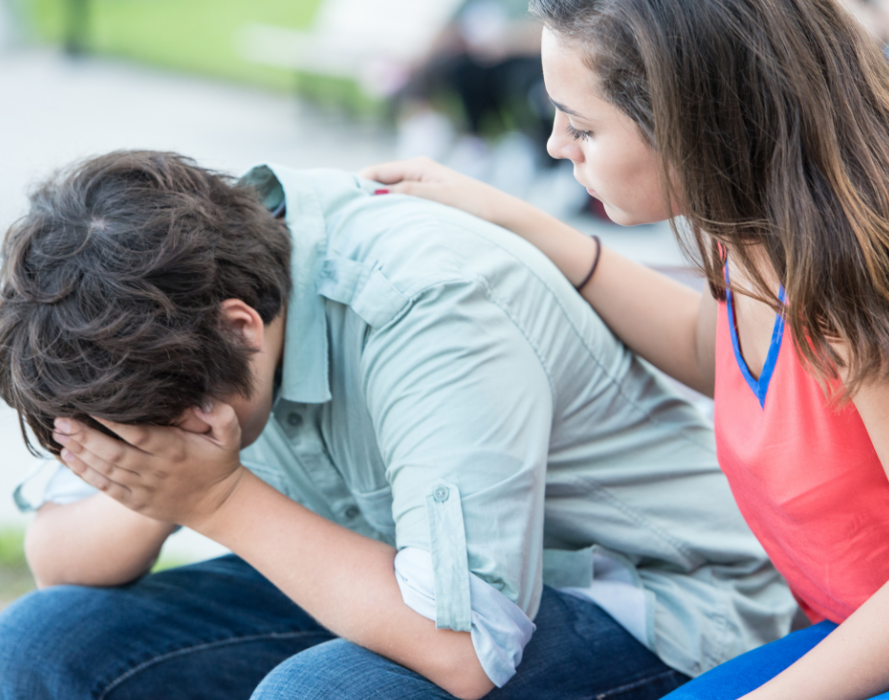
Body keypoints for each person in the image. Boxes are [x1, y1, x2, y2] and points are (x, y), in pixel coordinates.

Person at [360, 0, 889, 697]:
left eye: (580, 125)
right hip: (882, 625)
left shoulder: (868, 280)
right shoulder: (756, 234)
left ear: (695, 124)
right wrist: (519, 221)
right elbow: (715, 351)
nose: (555, 145)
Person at [0, 150, 796, 700]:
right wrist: (164, 486)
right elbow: (60, 561)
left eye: (162, 427)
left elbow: (466, 649)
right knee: (43, 641)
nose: (156, 447)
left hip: (650, 598)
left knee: (325, 694)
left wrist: (214, 502)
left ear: (242, 329)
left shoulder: (420, 300)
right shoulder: (136, 312)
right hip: (399, 572)